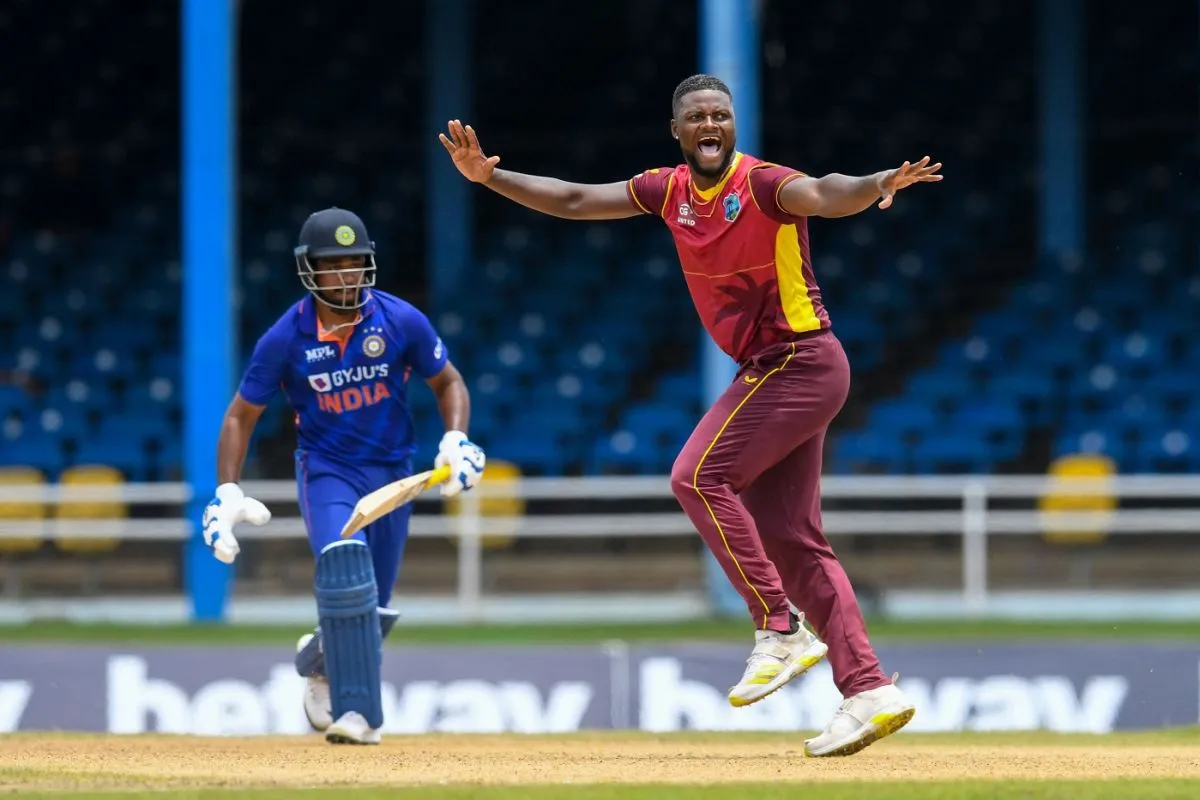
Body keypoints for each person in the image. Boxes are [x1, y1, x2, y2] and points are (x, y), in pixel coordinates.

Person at [439, 74, 942, 757]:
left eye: (721, 114)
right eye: (698, 116)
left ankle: (778, 627)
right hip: (778, 370)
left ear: (734, 126)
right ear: (677, 131)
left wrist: (879, 181)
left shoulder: (764, 184)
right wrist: (488, 179)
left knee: (697, 477)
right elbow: (578, 199)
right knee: (794, 542)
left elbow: (826, 193)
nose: (711, 124)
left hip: (801, 360)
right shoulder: (666, 190)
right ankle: (870, 690)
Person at [200, 207, 486, 745]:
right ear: (311, 270)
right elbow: (241, 414)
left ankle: (319, 661)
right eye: (335, 265)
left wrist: (456, 437)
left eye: (356, 263)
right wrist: (227, 490)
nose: (348, 275)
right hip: (328, 470)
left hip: (395, 470)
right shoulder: (285, 338)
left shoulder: (400, 320)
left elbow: (449, 383)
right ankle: (360, 715)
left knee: (373, 605)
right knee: (346, 575)